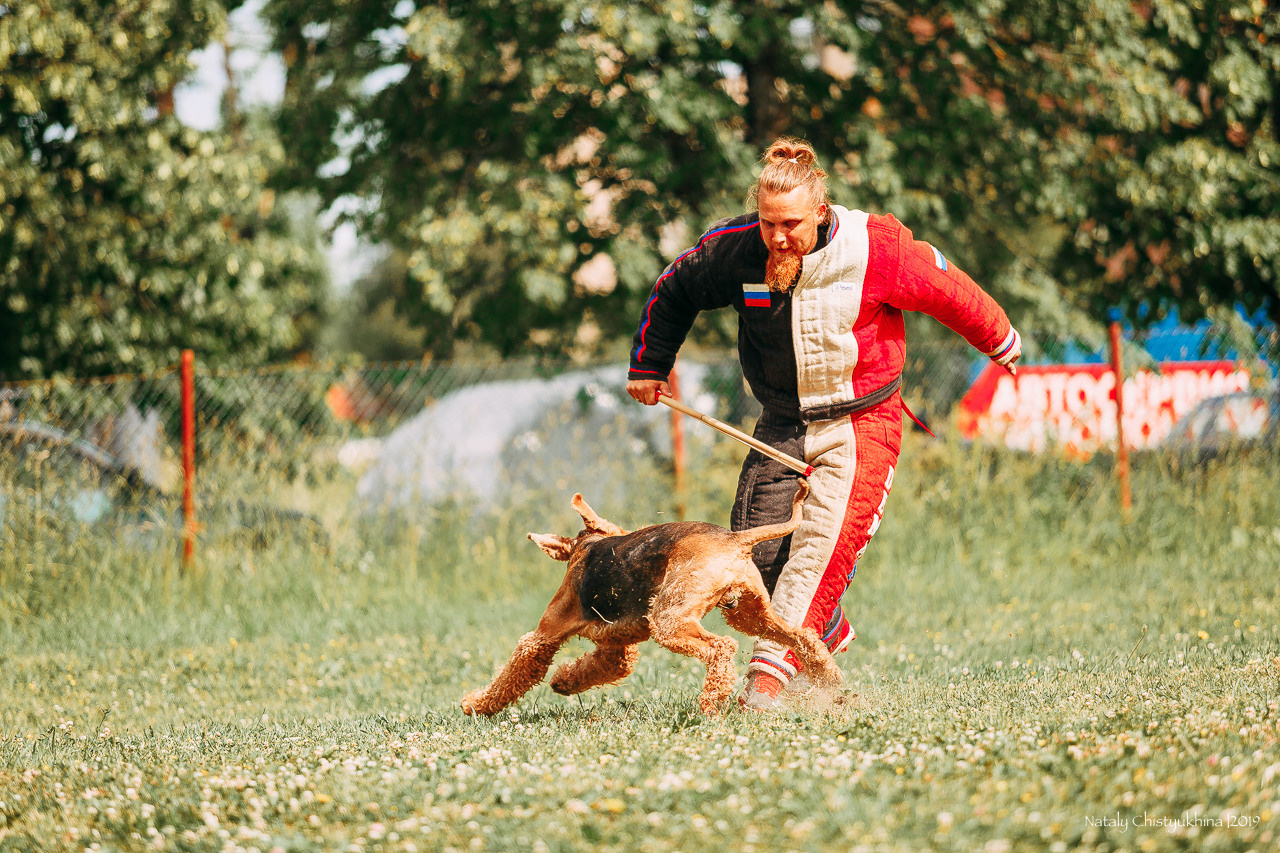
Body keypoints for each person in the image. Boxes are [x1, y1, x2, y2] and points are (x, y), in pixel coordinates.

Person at [626, 137, 1021, 710]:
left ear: (820, 211)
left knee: (818, 553)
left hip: (863, 421)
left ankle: (762, 693)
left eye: (791, 224)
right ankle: (823, 631)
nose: (779, 237)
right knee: (747, 566)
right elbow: (675, 289)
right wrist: (650, 365)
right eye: (768, 224)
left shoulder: (876, 249)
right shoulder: (735, 250)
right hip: (781, 421)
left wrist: (1000, 341)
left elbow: (947, 289)